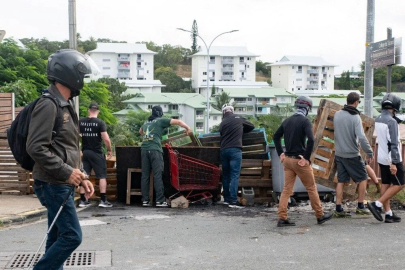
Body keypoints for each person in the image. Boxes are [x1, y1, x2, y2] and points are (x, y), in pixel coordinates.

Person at [27, 49, 96, 269]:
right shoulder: (48, 104)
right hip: (52, 183)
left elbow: (66, 148)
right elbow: (36, 147)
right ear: (69, 74)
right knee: (72, 236)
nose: (83, 80)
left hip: (60, 182)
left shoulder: (64, 105)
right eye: (81, 75)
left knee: (56, 238)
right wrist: (67, 172)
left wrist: (81, 176)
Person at [273, 96, 332, 227]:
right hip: (299, 161)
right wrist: (306, 158)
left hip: (287, 160)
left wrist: (280, 153)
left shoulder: (287, 121)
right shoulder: (305, 121)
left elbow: (276, 137)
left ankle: (282, 217)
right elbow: (311, 140)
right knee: (311, 188)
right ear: (307, 108)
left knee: (286, 189)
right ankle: (320, 215)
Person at [139, 105, 191, 207]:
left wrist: (150, 136)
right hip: (155, 150)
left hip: (144, 150)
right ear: (160, 113)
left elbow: (140, 132)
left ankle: (145, 200)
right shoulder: (160, 121)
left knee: (145, 175)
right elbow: (178, 122)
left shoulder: (146, 123)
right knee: (157, 175)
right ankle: (159, 201)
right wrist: (188, 128)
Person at [333, 92, 373, 218]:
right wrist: (369, 152)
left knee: (341, 181)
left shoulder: (337, 114)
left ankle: (338, 209)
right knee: (363, 178)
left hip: (339, 154)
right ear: (356, 102)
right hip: (352, 154)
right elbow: (361, 137)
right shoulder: (355, 117)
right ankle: (360, 206)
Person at [368, 93, 403, 223]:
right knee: (400, 183)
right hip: (392, 158)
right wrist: (394, 163)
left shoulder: (378, 118)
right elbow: (393, 143)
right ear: (395, 106)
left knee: (386, 183)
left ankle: (388, 213)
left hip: (381, 157)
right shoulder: (391, 121)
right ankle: (377, 204)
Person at [219, 103, 254, 208]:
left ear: (224, 112)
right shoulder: (238, 118)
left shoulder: (222, 123)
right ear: (232, 110)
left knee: (226, 176)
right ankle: (233, 200)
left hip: (224, 150)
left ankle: (226, 199)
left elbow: (221, 133)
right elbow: (251, 126)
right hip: (235, 150)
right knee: (234, 175)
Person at [79, 102, 113, 208]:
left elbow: (74, 134)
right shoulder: (100, 123)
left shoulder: (81, 122)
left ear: (89, 110)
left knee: (85, 175)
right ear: (98, 111)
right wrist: (109, 150)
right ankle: (103, 200)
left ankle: (83, 200)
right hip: (97, 152)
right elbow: (106, 138)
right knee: (102, 176)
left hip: (85, 152)